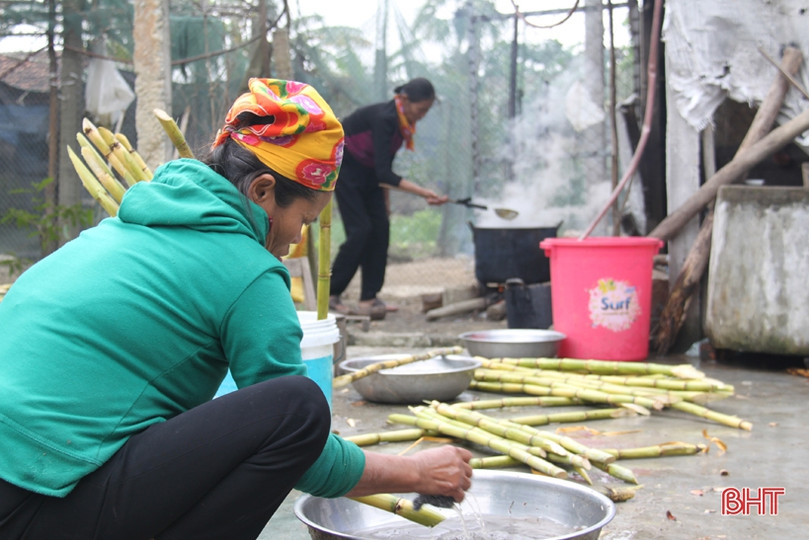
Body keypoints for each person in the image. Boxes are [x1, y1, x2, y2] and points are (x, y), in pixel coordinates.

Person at [0, 78, 472, 540]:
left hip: (29, 483)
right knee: (299, 408)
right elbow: (305, 452)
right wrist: (416, 472)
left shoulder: (123, 230)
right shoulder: (248, 271)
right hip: (40, 504)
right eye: (303, 219)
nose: (297, 238)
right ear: (263, 191)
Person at [329, 77, 449, 320]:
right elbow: (385, 173)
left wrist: (385, 203)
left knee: (381, 228)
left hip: (370, 176)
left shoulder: (403, 125)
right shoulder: (385, 119)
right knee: (360, 230)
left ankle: (369, 298)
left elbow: (382, 167)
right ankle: (331, 294)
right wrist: (425, 192)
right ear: (404, 99)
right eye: (421, 109)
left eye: (427, 110)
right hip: (347, 170)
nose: (423, 115)